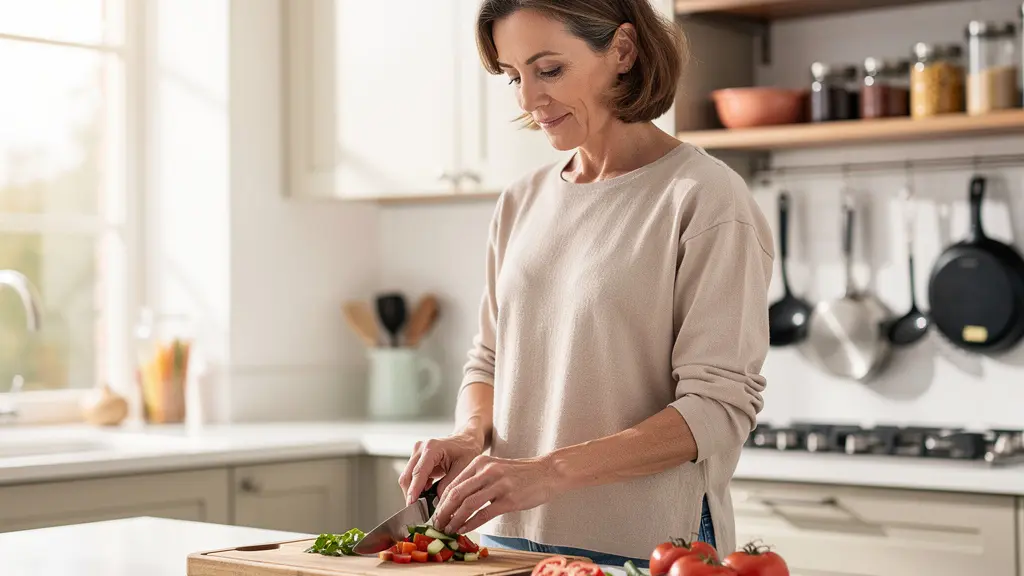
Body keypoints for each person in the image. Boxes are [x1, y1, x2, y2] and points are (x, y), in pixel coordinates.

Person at [399, 0, 774, 567]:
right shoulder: (521, 201)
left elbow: (717, 409)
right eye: (514, 77)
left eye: (548, 70)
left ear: (622, 50)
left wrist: (549, 472)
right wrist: (469, 436)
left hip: (646, 548)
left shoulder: (703, 198)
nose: (528, 99)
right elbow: (490, 360)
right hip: (502, 538)